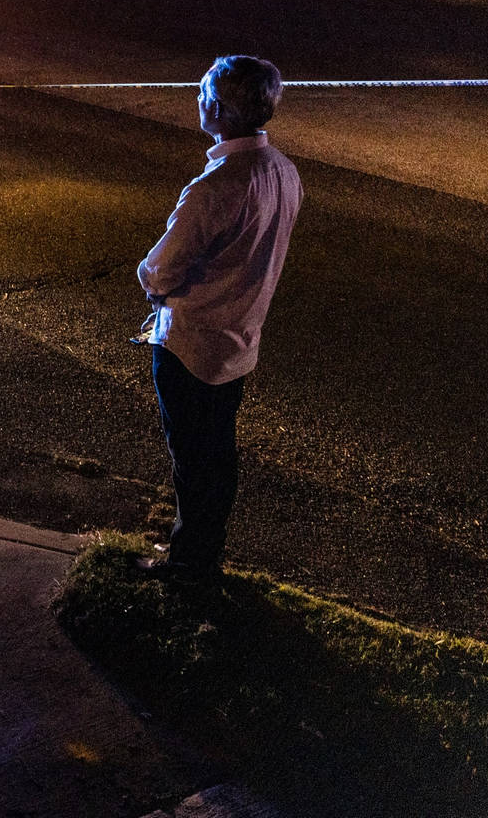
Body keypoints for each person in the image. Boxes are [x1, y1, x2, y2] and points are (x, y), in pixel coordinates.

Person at [136, 55, 301, 580]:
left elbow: (161, 269)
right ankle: (207, 552)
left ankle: (190, 562)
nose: (199, 100)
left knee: (191, 460)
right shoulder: (282, 171)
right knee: (218, 456)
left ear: (219, 108)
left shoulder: (216, 187)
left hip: (191, 343)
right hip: (239, 342)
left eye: (204, 92)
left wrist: (150, 278)